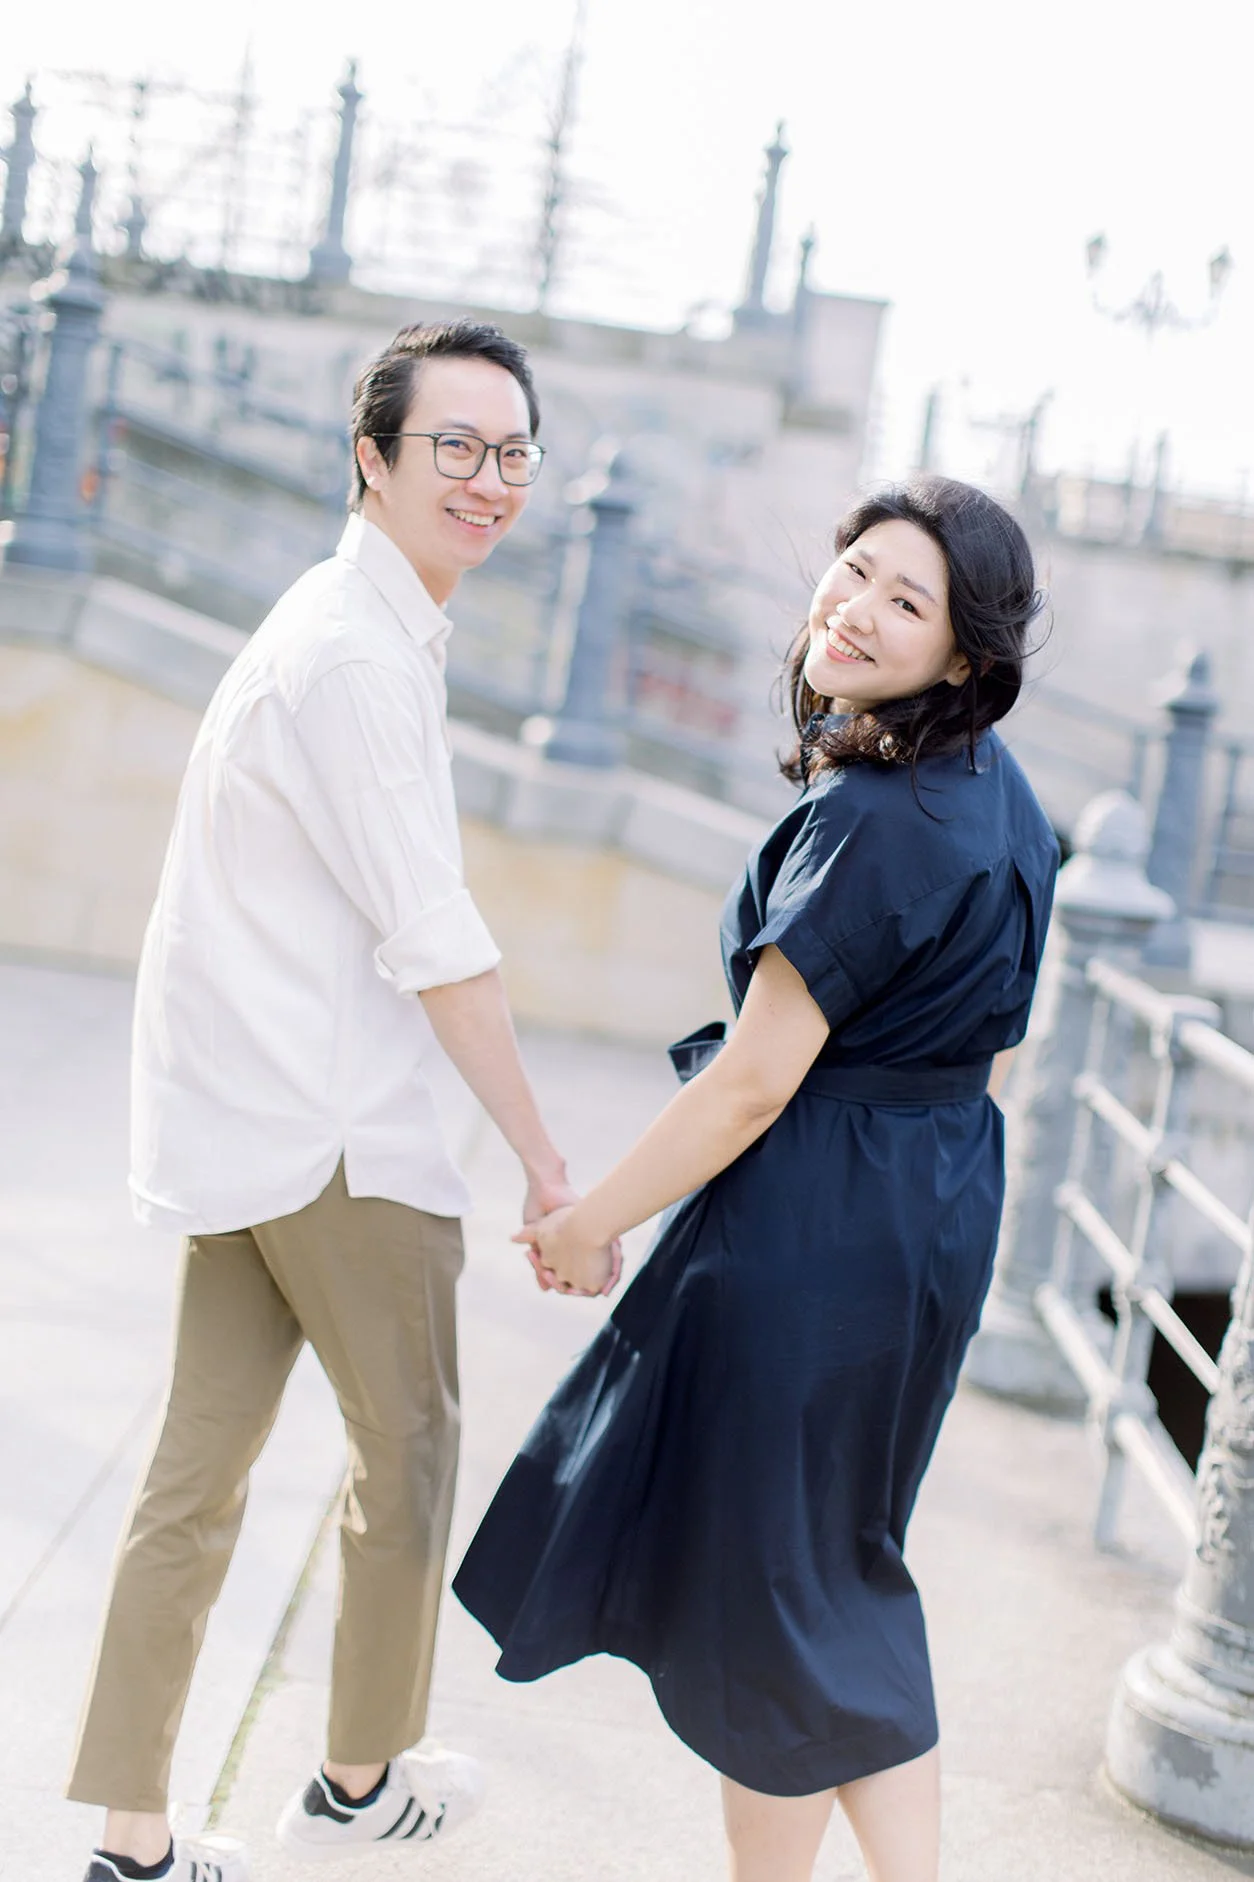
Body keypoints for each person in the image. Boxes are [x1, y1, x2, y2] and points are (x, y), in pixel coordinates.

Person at [454, 475, 1060, 1882]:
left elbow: (752, 1080)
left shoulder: (879, 818)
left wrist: (588, 1220)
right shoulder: (999, 792)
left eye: (906, 600)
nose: (853, 609)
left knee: (781, 1585)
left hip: (820, 1220)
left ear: (962, 655)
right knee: (831, 1569)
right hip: (928, 1206)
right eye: (853, 571)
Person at [69, 318, 590, 1882]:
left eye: (512, 451)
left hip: (245, 1122)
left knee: (191, 1482)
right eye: (454, 447)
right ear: (370, 458)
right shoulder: (358, 656)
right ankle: (358, 1783)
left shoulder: (336, 618)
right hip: (338, 1137)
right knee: (409, 1452)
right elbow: (437, 940)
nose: (487, 479)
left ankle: (133, 1848)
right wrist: (545, 1161)